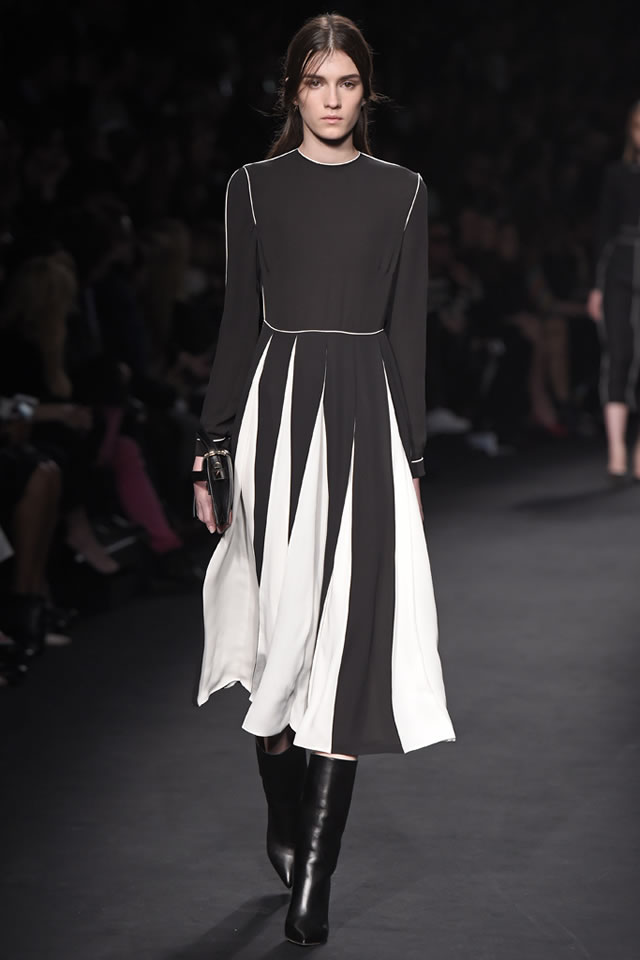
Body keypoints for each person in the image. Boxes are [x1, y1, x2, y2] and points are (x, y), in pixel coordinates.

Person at [192, 13, 455, 947]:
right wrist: (211, 446)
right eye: (317, 82)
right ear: (293, 91)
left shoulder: (404, 192)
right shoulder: (252, 189)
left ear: (364, 92)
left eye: (347, 83)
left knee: (349, 641)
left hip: (366, 422)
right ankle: (282, 811)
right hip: (277, 420)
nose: (333, 99)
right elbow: (237, 322)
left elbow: (408, 333)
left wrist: (413, 458)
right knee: (279, 638)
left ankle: (315, 872)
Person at [587, 100, 640, 481]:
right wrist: (596, 286)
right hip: (619, 268)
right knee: (618, 353)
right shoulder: (617, 174)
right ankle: (617, 447)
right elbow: (603, 229)